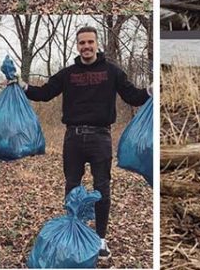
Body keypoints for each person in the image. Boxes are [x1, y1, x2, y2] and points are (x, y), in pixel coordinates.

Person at [22, 26, 151, 258]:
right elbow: (44, 93)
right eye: (82, 43)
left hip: (101, 137)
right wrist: (22, 87)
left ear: (97, 44)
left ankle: (100, 239)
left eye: (90, 42)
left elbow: (133, 96)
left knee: (102, 187)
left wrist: (149, 92)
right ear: (77, 45)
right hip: (72, 138)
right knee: (72, 187)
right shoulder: (67, 74)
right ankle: (75, 235)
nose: (86, 47)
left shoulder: (113, 72)